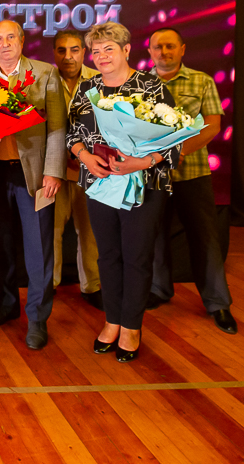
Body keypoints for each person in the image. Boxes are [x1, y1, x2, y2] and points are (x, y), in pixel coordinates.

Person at [67, 21, 181, 363]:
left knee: (136, 257)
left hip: (143, 184)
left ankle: (131, 326)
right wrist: (84, 156)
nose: (102, 56)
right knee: (107, 256)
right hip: (100, 184)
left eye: (109, 49)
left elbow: (176, 139)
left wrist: (141, 162)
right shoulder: (87, 88)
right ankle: (112, 321)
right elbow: (72, 134)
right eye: (96, 51)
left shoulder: (151, 86)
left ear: (126, 50)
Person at [0, 21, 67, 350]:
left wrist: (53, 171)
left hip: (35, 176)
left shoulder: (44, 74)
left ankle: (38, 318)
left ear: (22, 40)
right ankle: (7, 303)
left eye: (10, 37)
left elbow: (57, 127)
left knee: (38, 247)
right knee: (1, 243)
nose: (5, 44)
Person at [146, 27, 238, 334]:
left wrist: (179, 151)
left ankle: (218, 303)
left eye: (170, 46)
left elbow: (213, 124)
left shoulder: (202, 81)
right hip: (153, 174)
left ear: (182, 49)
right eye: (158, 47)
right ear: (150, 52)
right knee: (155, 236)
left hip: (193, 173)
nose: (164, 52)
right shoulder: (139, 83)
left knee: (205, 238)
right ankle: (159, 289)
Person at [52, 31, 102, 309]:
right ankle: (49, 285)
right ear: (54, 53)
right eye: (61, 50)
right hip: (55, 171)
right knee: (51, 232)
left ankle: (92, 286)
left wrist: (86, 155)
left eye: (74, 50)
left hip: (92, 170)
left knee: (91, 232)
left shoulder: (101, 80)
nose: (68, 56)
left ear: (84, 52)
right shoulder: (45, 80)